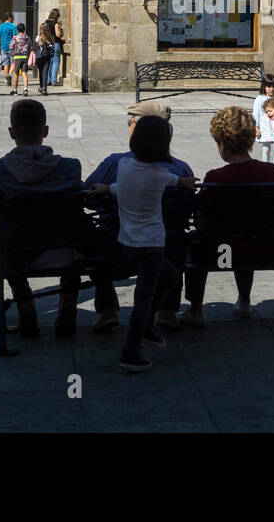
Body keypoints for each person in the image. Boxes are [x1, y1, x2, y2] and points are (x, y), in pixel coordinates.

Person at [90, 115, 195, 372]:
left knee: (168, 276)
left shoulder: (124, 165)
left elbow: (120, 186)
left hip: (126, 242)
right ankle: (132, 349)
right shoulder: (161, 174)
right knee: (144, 297)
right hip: (151, 245)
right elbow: (175, 181)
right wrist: (185, 182)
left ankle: (144, 324)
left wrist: (107, 189)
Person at [0, 98, 92, 340]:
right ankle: (68, 302)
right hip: (68, 252)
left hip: (21, 255)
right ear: (45, 131)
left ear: (12, 132)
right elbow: (82, 199)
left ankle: (25, 303)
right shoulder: (70, 167)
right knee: (71, 228)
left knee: (9, 238)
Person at [178, 105, 274, 328]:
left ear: (221, 143)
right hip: (268, 250)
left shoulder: (215, 177)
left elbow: (200, 220)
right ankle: (244, 301)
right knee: (244, 237)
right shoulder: (272, 172)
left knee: (204, 242)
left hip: (222, 255)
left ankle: (196, 309)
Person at [252, 73, 274, 163]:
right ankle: (266, 166)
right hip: (265, 127)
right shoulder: (260, 99)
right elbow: (256, 114)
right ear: (264, 87)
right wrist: (256, 127)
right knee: (266, 148)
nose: (271, 89)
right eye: (269, 86)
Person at [8, 22, 33, 95]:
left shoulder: (15, 37)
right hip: (25, 57)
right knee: (24, 73)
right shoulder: (27, 37)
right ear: (24, 30)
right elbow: (31, 47)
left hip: (17, 57)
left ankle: (15, 90)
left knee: (16, 73)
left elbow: (11, 46)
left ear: (17, 30)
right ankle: (25, 89)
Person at [45, 7, 66, 86]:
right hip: (55, 43)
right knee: (56, 61)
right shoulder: (55, 23)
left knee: (48, 62)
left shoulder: (46, 22)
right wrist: (61, 32)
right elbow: (58, 34)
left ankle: (47, 80)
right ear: (57, 15)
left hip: (47, 43)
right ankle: (54, 80)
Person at [0, 13, 16, 85]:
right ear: (9, 18)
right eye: (12, 18)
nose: (13, 19)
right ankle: (10, 75)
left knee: (5, 64)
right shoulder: (13, 26)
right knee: (13, 62)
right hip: (12, 48)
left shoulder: (0, 26)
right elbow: (14, 37)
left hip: (3, 47)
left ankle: (6, 79)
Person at [35, 21, 55, 96]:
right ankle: (44, 88)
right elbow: (53, 46)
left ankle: (41, 86)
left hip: (40, 57)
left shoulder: (39, 37)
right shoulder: (50, 37)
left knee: (40, 72)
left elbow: (35, 46)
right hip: (47, 57)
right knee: (45, 72)